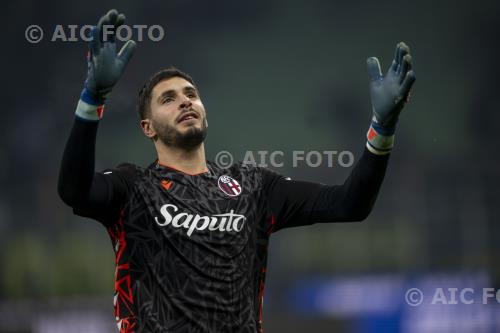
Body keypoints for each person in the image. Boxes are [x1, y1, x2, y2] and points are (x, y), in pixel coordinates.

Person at [58, 9, 416, 333]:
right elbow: (73, 190)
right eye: (168, 99)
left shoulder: (253, 186)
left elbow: (350, 205)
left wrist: (382, 128)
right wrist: (92, 98)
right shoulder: (132, 188)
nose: (185, 100)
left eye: (191, 94)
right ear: (147, 127)